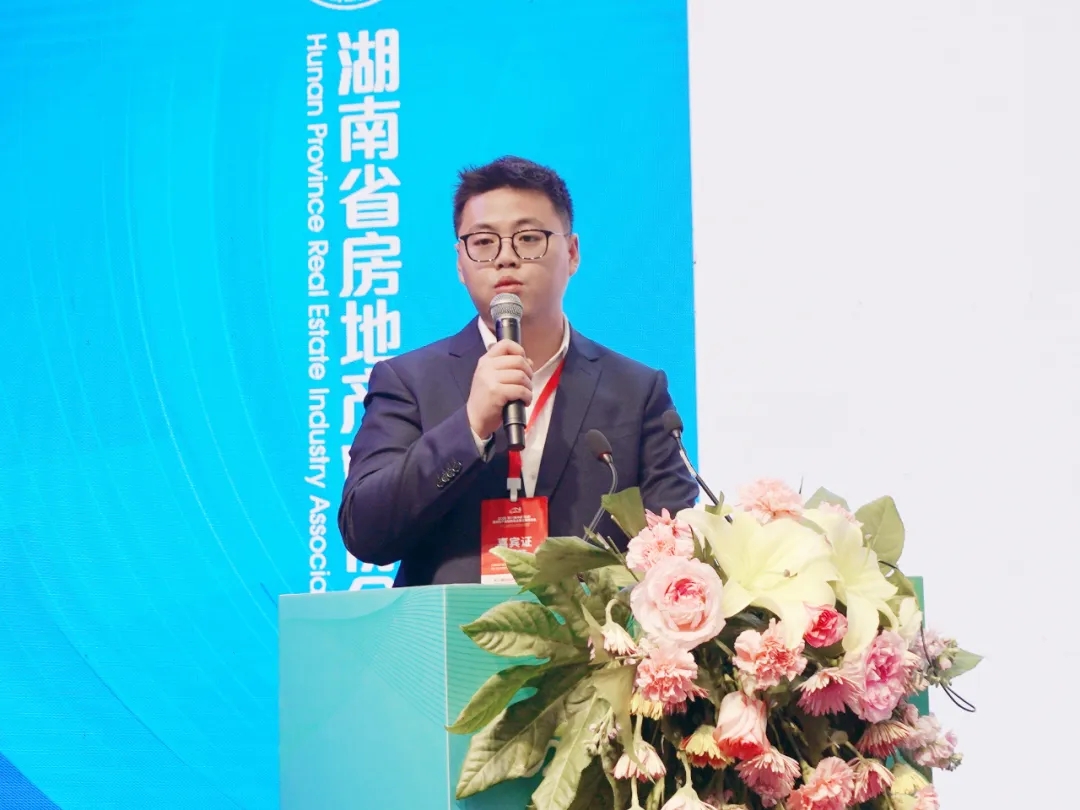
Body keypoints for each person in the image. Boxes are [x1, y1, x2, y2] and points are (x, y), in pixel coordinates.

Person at [338, 156, 698, 586]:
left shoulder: (636, 391)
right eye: (483, 242)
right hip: (450, 628)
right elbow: (365, 533)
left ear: (572, 253)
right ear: (460, 262)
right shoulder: (408, 381)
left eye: (528, 238)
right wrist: (470, 427)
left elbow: (678, 544)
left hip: (593, 629)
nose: (505, 258)